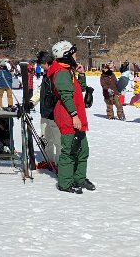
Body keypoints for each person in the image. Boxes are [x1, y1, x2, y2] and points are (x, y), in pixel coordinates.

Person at [47, 41, 94, 194]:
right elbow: (66, 96)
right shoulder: (61, 73)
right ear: (66, 55)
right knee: (70, 150)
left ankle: (79, 178)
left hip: (76, 115)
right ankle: (65, 183)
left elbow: (79, 88)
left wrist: (81, 74)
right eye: (73, 53)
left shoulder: (68, 70)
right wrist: (74, 116)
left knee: (83, 149)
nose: (76, 55)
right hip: (68, 116)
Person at [32, 51, 60, 170]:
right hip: (45, 113)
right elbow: (40, 91)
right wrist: (32, 102)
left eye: (41, 64)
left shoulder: (57, 75)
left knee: (58, 141)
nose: (40, 67)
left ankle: (60, 164)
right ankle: (49, 160)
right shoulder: (46, 76)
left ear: (46, 62)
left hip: (55, 114)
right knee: (45, 139)